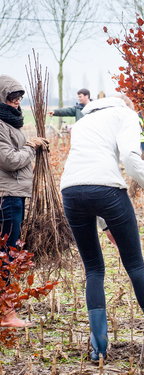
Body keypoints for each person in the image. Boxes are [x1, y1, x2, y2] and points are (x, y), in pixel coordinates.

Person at [60, 95, 144, 361]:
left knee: (93, 269)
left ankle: (98, 349)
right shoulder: (126, 114)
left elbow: (87, 179)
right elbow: (129, 156)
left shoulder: (84, 121)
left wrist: (106, 226)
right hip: (107, 191)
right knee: (136, 266)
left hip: (71, 191)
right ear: (128, 105)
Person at [0, 75, 48, 327]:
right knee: (6, 253)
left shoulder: (11, 124)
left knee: (9, 252)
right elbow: (9, 160)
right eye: (11, 98)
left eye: (18, 98)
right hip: (6, 195)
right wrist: (30, 147)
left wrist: (33, 145)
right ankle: (7, 315)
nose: (16, 103)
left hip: (15, 194)